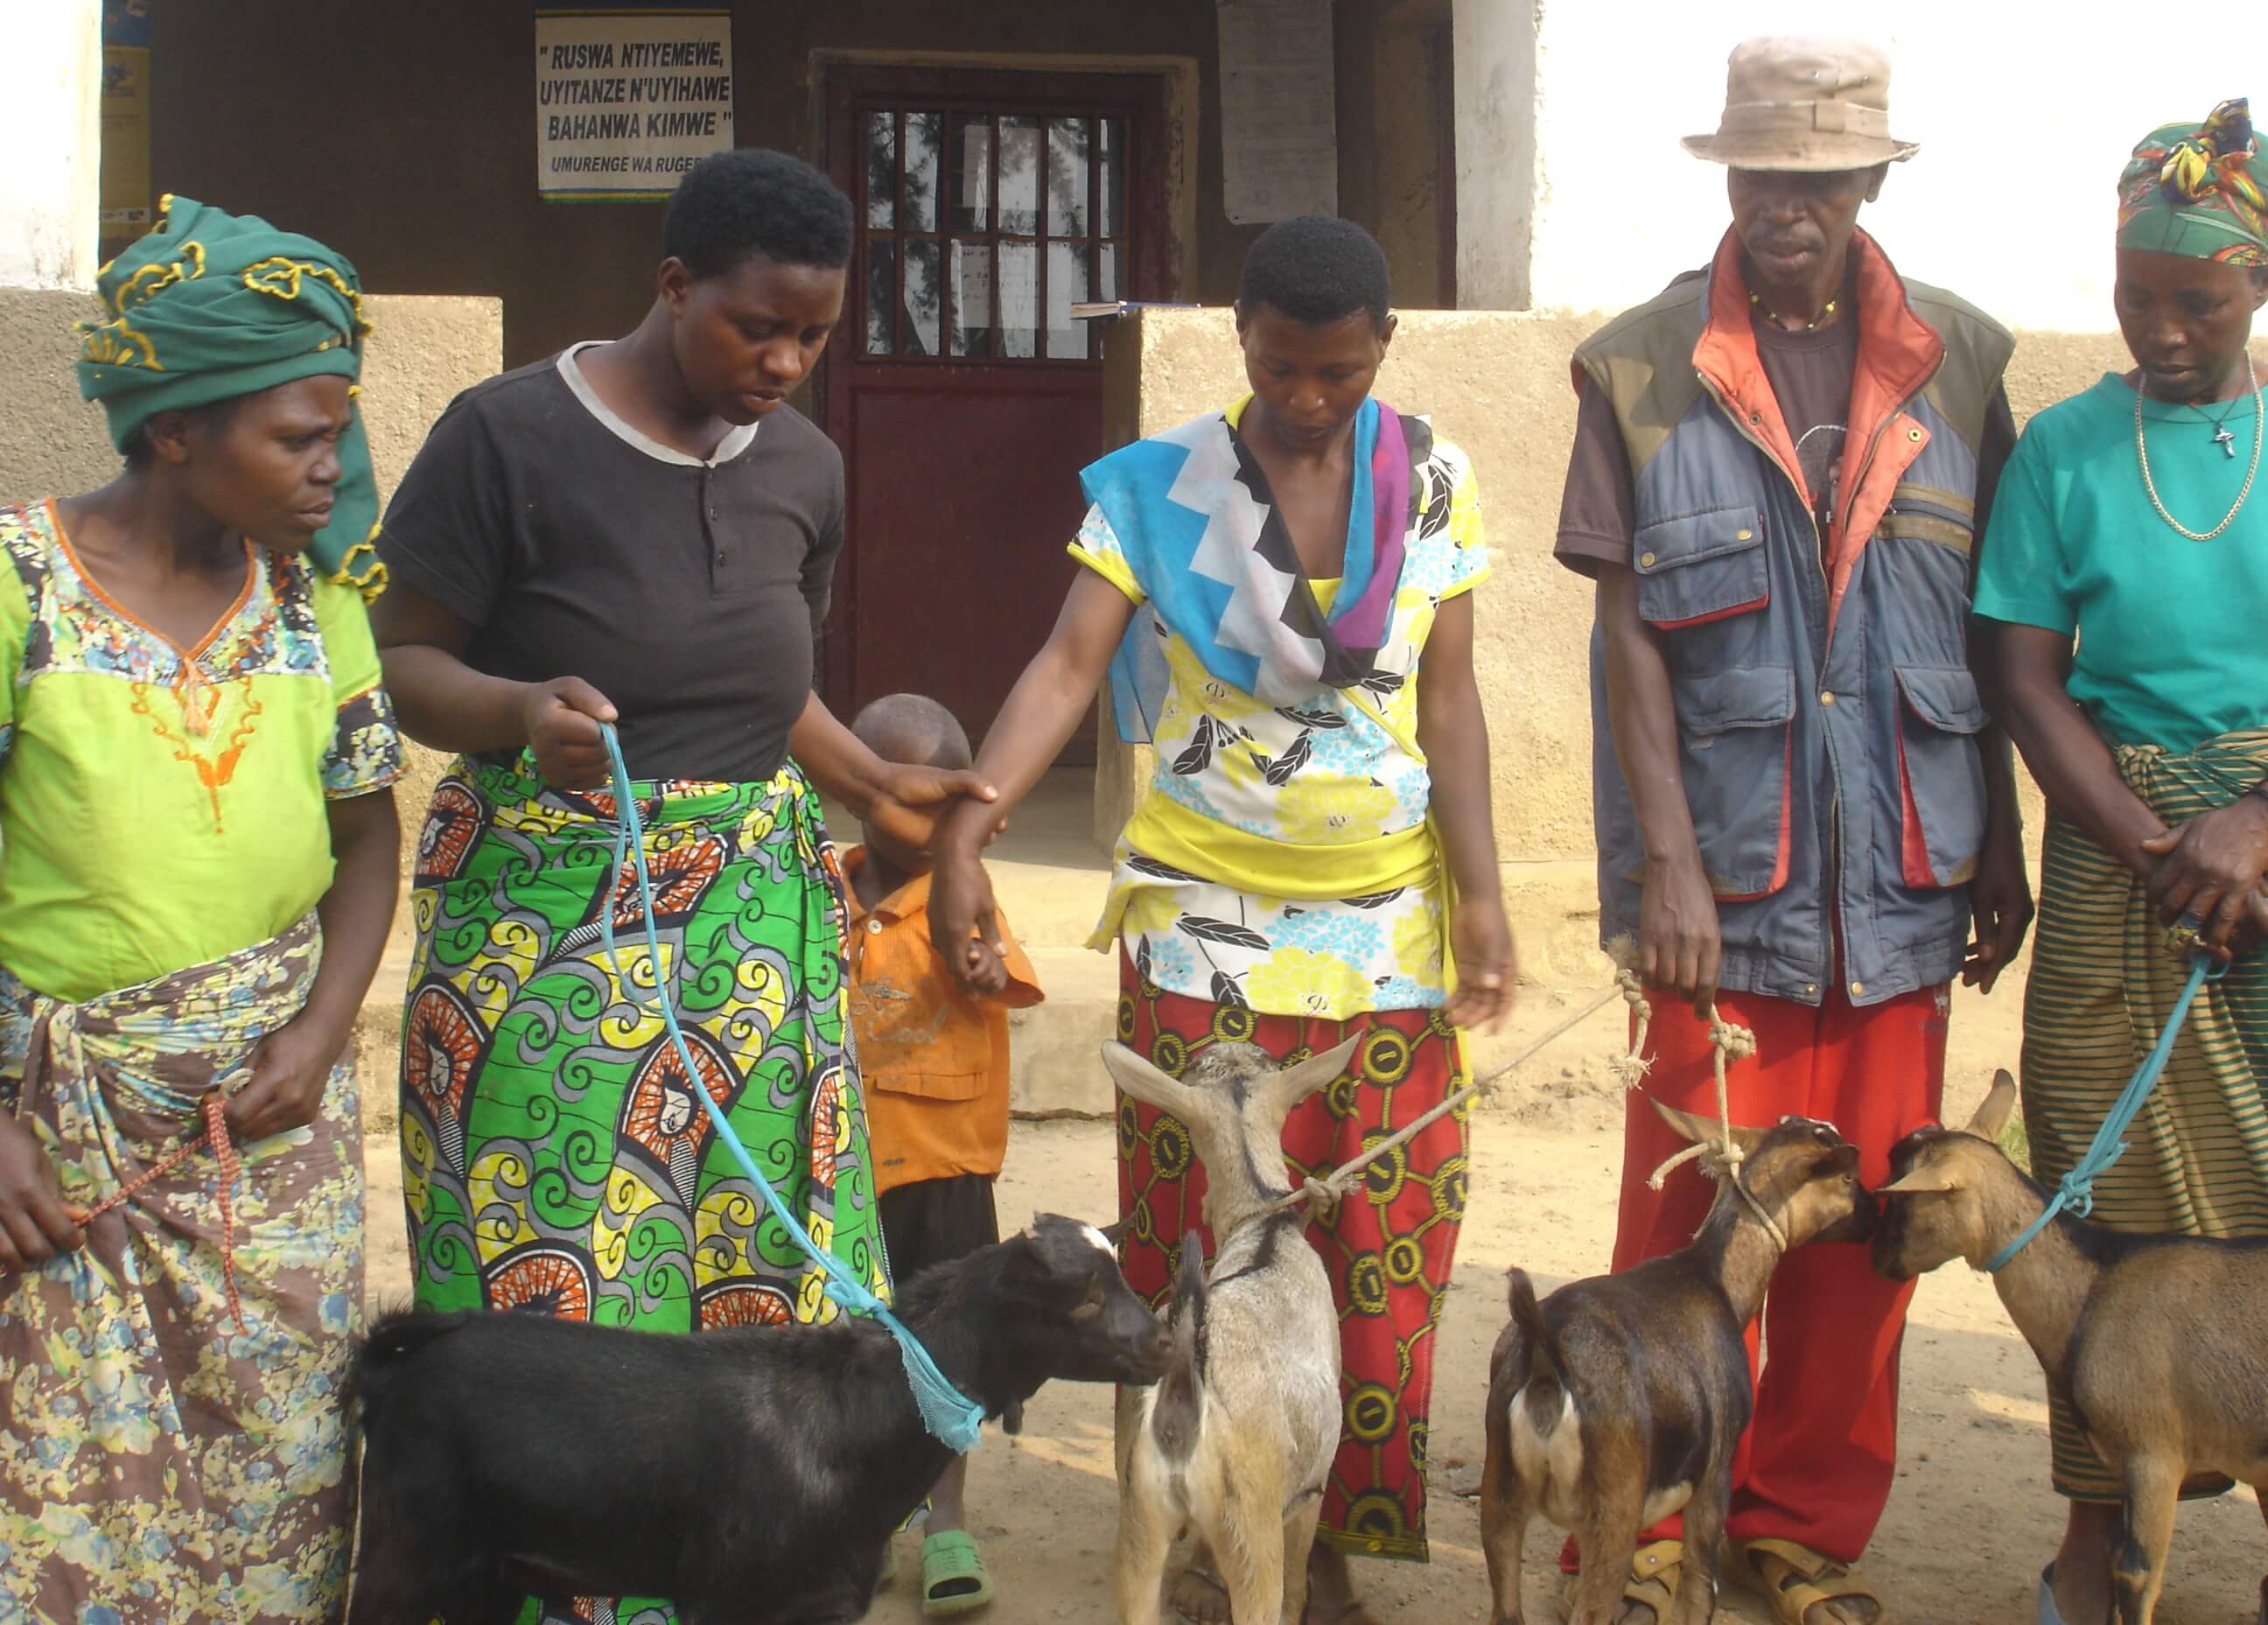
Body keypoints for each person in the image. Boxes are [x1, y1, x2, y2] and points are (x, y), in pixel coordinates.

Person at [369, 149, 992, 1625]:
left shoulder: (803, 467)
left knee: (762, 1285)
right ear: (671, 285)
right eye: (753, 326)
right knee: (570, 1276)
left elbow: (762, 673)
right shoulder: (505, 434)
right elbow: (403, 667)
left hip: (754, 945)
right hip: (551, 932)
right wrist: (520, 710)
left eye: (814, 335)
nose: (784, 361)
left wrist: (868, 782)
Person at [929, 214, 1511, 1624]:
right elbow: (1068, 666)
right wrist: (968, 828)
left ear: (1384, 349)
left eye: (1340, 372)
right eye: (1284, 365)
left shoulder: (1435, 482)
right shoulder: (1155, 491)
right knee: (1200, 1252)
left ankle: (1314, 1540)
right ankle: (1194, 1531)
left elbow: (1449, 702)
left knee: (1376, 1258)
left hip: (1387, 938)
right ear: (1240, 334)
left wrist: (1485, 895)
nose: (1310, 399)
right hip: (1201, 930)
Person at [1551, 39, 2032, 1625]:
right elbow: (1627, 634)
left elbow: (1994, 624)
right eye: (1760, 179)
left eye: (1817, 180)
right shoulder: (1637, 363)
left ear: (1870, 182)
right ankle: (1631, 1526)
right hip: (1723, 883)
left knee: (1863, 1221)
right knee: (1686, 1221)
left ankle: (1797, 1525)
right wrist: (1661, 862)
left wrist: (2002, 845)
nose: (1785, 209)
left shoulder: (1962, 357)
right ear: (1727, 182)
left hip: (1902, 869)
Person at [0, 197, 402, 1621]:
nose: (333, 466)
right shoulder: (18, 590)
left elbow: (367, 838)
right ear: (175, 428)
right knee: (64, 1495)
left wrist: (323, 1025)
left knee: (285, 1468)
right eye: (300, 435)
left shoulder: (317, 608)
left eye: (335, 430)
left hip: (268, 1119)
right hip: (62, 1132)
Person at [1973, 96, 2268, 1625]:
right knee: (2092, 1204)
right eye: (2133, 295)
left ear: (2256, 288)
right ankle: (2099, 1533)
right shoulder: (2066, 452)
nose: (2159, 328)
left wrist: (2252, 822)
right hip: (2111, 868)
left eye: (2195, 301)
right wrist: (2158, 843)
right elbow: (2023, 672)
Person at [844, 693, 1043, 1619]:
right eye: (912, 799)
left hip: (945, 1168)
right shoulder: (823, 885)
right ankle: (864, 1519)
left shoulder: (965, 895)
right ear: (857, 788)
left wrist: (984, 964)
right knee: (848, 1344)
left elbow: (1006, 973)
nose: (933, 826)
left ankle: (947, 1518)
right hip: (843, 1165)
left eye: (949, 807)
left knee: (945, 1350)